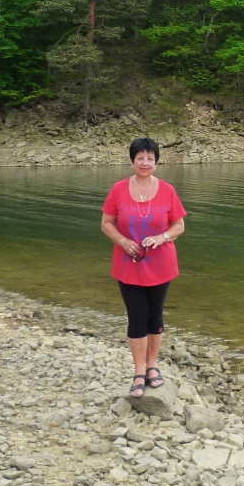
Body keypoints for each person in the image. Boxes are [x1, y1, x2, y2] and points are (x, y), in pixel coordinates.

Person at [101, 137, 187, 397]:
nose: (145, 162)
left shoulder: (167, 190)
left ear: (156, 163)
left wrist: (162, 237)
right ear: (132, 161)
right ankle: (139, 371)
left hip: (161, 265)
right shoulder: (118, 189)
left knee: (155, 316)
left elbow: (179, 225)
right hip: (128, 265)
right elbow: (106, 223)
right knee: (137, 317)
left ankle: (152, 366)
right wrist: (123, 241)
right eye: (140, 158)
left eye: (150, 158)